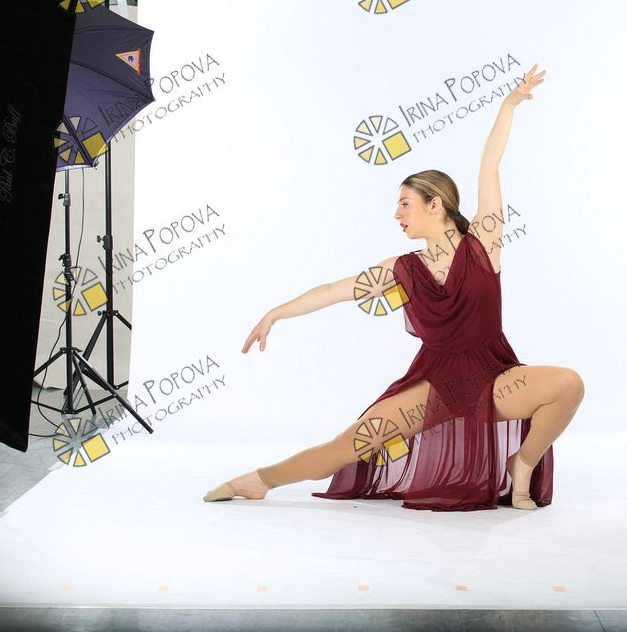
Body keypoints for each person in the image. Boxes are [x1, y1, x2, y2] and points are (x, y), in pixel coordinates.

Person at [204, 64, 584, 511]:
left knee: (568, 385)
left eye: (405, 203)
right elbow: (332, 290)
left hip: (494, 379)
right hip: (436, 386)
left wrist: (509, 105)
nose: (398, 214)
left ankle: (521, 463)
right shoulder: (403, 269)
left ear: (435, 205)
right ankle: (256, 481)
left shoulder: (484, 242)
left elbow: (490, 165)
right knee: (346, 447)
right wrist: (275, 313)